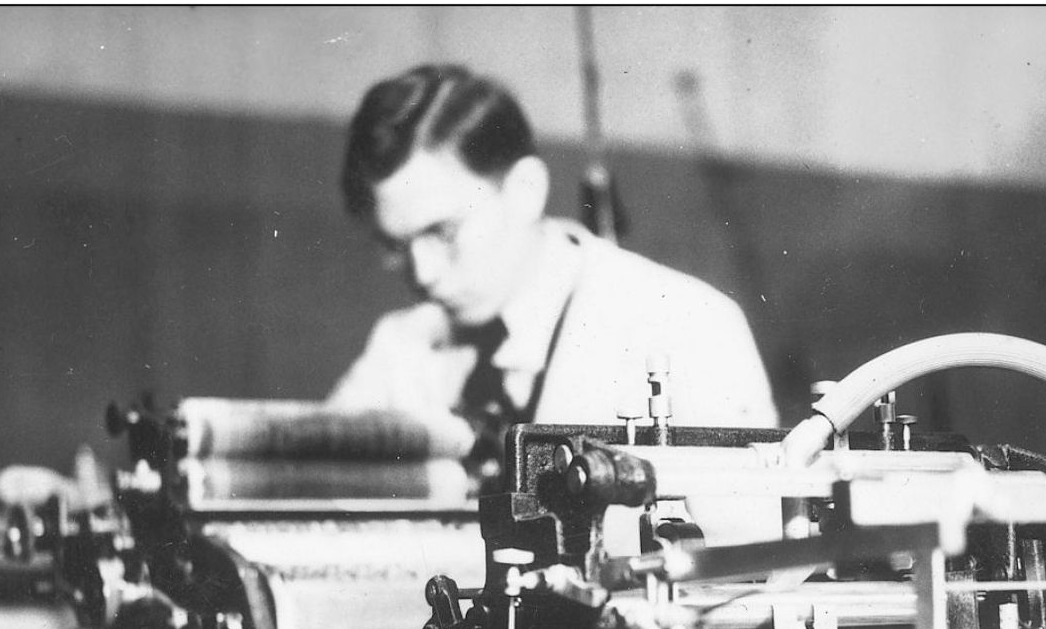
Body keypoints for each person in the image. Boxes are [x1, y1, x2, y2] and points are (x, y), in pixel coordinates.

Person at [324, 63, 777, 477]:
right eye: (394, 245)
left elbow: (747, 552)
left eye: (442, 232)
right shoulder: (399, 346)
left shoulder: (686, 324)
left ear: (525, 189)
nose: (422, 274)